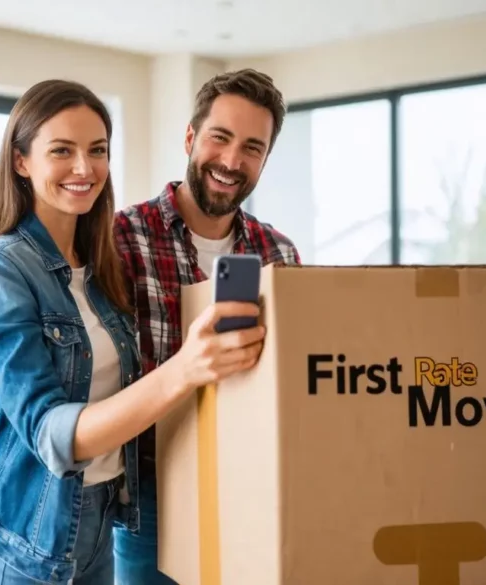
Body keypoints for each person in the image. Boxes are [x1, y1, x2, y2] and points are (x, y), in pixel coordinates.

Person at [0, 79, 268, 585]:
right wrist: (185, 369)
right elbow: (52, 434)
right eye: (62, 150)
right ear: (21, 161)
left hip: (98, 522)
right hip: (28, 542)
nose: (85, 168)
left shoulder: (99, 266)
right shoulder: (0, 271)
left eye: (97, 150)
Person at [112, 69, 303, 583]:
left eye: (253, 147)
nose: (233, 161)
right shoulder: (121, 237)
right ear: (191, 137)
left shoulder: (280, 254)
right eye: (221, 137)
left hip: (252, 482)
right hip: (152, 486)